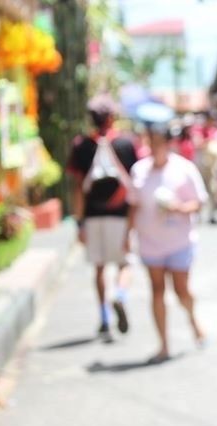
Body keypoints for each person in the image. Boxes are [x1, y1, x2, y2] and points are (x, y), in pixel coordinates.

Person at [127, 102, 209, 363]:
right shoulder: (139, 170)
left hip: (179, 242)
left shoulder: (183, 169)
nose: (154, 146)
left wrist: (180, 208)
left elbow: (199, 202)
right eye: (150, 141)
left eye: (158, 141)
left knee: (182, 291)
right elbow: (133, 206)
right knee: (157, 290)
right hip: (150, 242)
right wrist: (126, 237)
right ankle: (163, 344)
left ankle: (193, 321)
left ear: (167, 143)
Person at [67, 94, 137, 342]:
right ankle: (120, 294)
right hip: (119, 216)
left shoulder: (81, 146)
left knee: (99, 268)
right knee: (124, 264)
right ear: (112, 117)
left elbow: (78, 188)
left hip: (93, 216)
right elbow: (133, 185)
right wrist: (132, 223)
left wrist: (79, 222)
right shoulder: (127, 144)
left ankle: (105, 318)